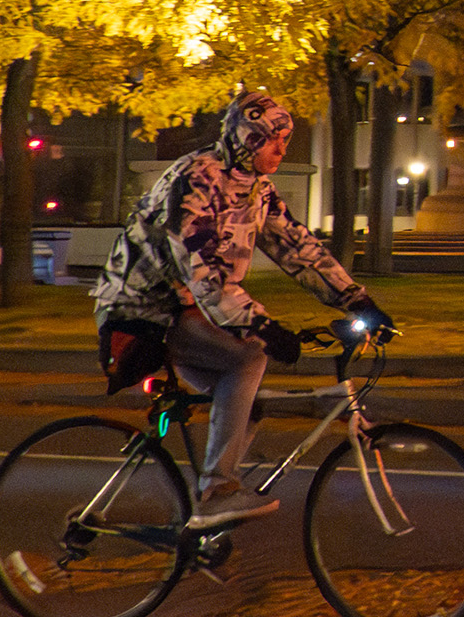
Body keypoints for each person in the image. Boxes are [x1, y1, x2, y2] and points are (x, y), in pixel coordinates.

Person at [92, 89, 390, 529]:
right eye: (273, 139)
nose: (281, 149)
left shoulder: (256, 190)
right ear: (248, 139)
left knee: (245, 399)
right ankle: (216, 490)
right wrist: (261, 325)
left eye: (285, 140)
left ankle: (206, 520)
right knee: (250, 356)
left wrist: (357, 299)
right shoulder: (197, 178)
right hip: (143, 308)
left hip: (188, 307)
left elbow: (297, 246)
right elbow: (201, 268)